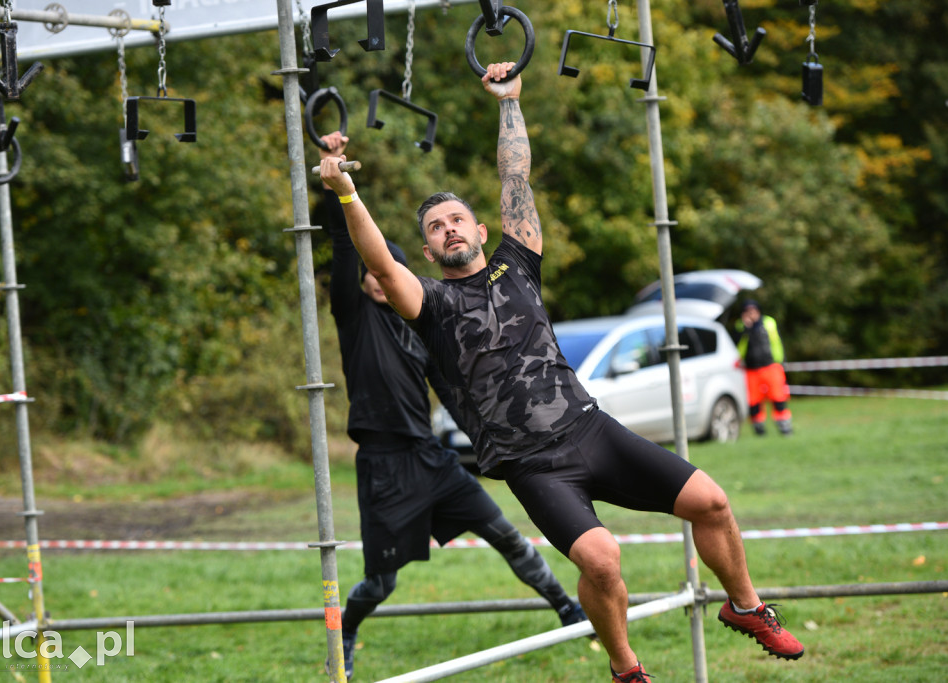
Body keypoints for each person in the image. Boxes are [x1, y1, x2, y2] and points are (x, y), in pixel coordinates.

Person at [318, 63, 804, 681]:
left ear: (482, 229)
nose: (448, 230)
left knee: (711, 501)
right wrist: (347, 196)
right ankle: (627, 669)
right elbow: (381, 265)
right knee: (602, 558)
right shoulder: (430, 305)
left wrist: (508, 103)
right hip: (530, 463)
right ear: (430, 250)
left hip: (589, 428)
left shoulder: (518, 263)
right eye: (435, 229)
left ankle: (747, 607)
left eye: (456, 220)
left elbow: (514, 175)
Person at [314, 131, 587, 681]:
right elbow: (349, 249)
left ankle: (568, 609)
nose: (380, 280)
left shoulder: (424, 321)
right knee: (382, 582)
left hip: (432, 459)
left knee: (505, 532)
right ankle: (345, 630)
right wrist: (335, 187)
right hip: (384, 464)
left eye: (390, 272)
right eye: (374, 273)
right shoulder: (357, 318)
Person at [736, 300, 793, 436]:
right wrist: (746, 329)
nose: (751, 313)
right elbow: (736, 344)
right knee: (754, 401)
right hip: (751, 370)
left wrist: (780, 361)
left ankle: (784, 427)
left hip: (771, 366)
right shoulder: (740, 326)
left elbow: (777, 342)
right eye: (747, 311)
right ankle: (759, 430)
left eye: (753, 310)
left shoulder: (768, 322)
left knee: (778, 398)